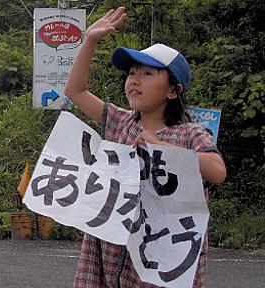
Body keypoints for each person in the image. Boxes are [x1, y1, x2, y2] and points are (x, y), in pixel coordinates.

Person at [64, 6, 226, 288]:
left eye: (147, 73)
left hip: (162, 257)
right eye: (131, 73)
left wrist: (162, 147)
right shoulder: (120, 122)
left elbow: (217, 171)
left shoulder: (189, 133)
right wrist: (89, 40)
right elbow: (75, 91)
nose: (134, 80)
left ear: (173, 90)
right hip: (110, 252)